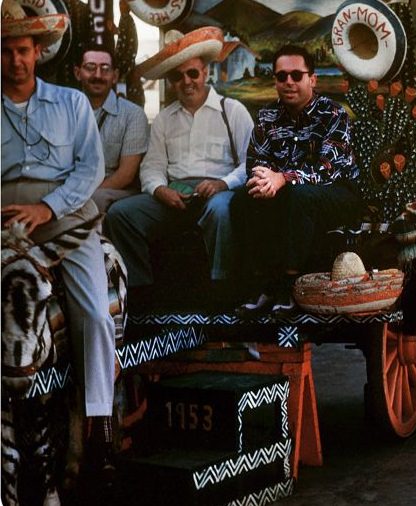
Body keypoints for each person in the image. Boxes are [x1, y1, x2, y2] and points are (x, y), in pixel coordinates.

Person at [1, 0, 116, 468]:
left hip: (66, 218)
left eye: (23, 50)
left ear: (39, 50)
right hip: (5, 222)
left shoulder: (70, 102)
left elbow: (91, 168)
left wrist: (46, 207)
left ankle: (99, 423)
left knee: (93, 310)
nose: (15, 61)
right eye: (6, 51)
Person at [104, 27, 254, 299]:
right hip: (175, 195)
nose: (186, 81)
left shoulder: (233, 111)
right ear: (171, 82)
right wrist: (160, 190)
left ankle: (222, 289)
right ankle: (141, 291)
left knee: (220, 211)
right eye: (177, 76)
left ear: (205, 73)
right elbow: (152, 166)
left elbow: (251, 164)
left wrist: (223, 183)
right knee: (120, 215)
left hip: (218, 193)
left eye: (192, 73)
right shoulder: (164, 119)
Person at [231, 44, 361, 315]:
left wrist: (283, 178)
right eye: (281, 76)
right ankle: (263, 283)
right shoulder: (267, 117)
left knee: (299, 197)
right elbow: (256, 162)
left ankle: (290, 286)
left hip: (337, 191)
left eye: (296, 75)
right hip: (286, 191)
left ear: (312, 79)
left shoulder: (334, 114)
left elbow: (328, 169)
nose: (288, 82)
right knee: (243, 198)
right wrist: (264, 180)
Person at [74, 44, 149, 213]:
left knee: (94, 201)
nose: (98, 75)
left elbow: (125, 175)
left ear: (114, 76)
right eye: (90, 68)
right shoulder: (63, 111)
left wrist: (80, 194)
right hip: (71, 186)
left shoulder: (133, 115)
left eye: (105, 69)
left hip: (112, 190)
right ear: (77, 73)